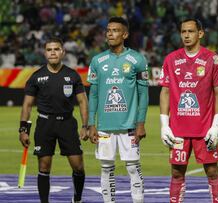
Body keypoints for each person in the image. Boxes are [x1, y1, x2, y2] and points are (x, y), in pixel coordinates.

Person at [159, 18, 218, 203]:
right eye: (183, 32)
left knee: (212, 171)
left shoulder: (213, 59)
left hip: (204, 129)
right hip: (178, 130)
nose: (186, 35)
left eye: (190, 31)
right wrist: (164, 125)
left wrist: (216, 125)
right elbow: (165, 92)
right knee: (176, 172)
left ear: (200, 33)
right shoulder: (171, 59)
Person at [18, 37, 88, 203]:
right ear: (45, 53)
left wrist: (86, 125)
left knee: (78, 166)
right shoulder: (36, 77)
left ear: (62, 52)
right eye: (49, 50)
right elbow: (27, 105)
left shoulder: (72, 75)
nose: (53, 52)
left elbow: (83, 101)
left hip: (67, 123)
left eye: (56, 49)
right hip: (45, 124)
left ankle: (77, 199)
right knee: (44, 167)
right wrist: (23, 130)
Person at [87, 17, 149, 203]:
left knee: (132, 167)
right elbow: (94, 95)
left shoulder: (137, 59)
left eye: (115, 30)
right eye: (108, 30)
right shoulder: (98, 60)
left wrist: (141, 123)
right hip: (105, 126)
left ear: (125, 34)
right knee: (106, 168)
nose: (110, 34)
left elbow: (143, 94)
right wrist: (91, 123)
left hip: (129, 126)